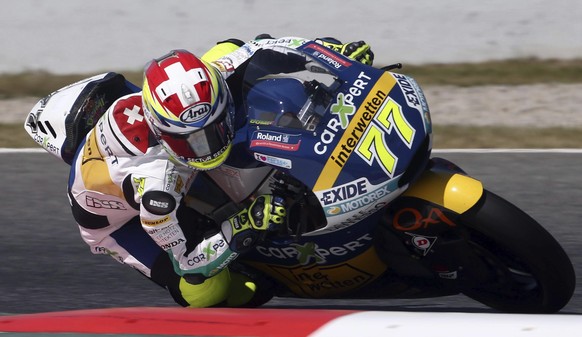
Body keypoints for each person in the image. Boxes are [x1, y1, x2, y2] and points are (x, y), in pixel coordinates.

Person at [29, 35, 374, 307]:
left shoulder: (212, 76)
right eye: (193, 140)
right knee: (202, 293)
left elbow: (263, 45)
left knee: (247, 65)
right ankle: (265, 275)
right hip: (117, 219)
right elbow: (188, 262)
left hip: (158, 149)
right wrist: (244, 225)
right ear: (166, 134)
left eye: (213, 127)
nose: (209, 145)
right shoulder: (157, 189)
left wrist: (333, 55)